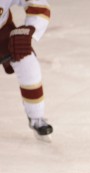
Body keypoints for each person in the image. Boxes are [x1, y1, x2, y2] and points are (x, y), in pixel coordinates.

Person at [0, 0, 53, 138]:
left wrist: (30, 28)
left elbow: (39, 4)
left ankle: (37, 117)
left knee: (27, 62)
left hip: (2, 32)